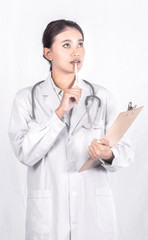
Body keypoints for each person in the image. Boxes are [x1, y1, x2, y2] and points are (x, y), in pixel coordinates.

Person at [8, 19, 134, 240]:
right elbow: (24, 153)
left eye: (80, 44)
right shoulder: (26, 99)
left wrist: (108, 153)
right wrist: (59, 112)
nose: (76, 51)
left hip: (92, 214)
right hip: (49, 216)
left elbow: (126, 151)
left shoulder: (102, 96)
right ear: (48, 53)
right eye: (66, 45)